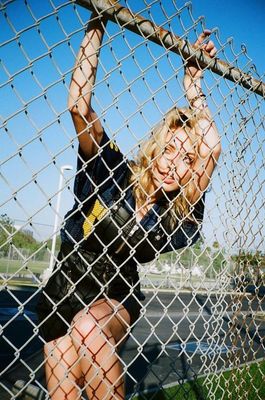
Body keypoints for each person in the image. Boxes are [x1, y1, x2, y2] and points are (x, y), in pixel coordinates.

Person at [36, 9, 221, 400]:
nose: (176, 163)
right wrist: (99, 19)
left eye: (188, 158)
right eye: (170, 149)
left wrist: (193, 90)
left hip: (116, 290)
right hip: (66, 283)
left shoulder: (176, 211)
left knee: (89, 326)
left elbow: (213, 148)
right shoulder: (113, 169)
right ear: (154, 148)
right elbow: (78, 107)